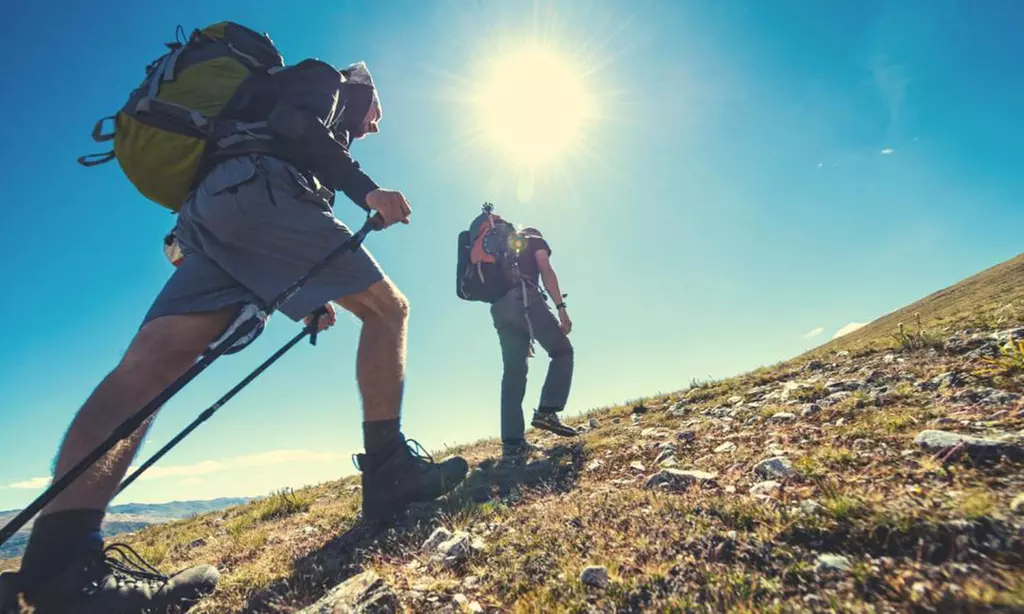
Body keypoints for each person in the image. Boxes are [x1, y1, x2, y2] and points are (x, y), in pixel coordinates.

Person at [0, 50, 468, 614]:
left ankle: (58, 568)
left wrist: (306, 301)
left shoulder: (254, 108)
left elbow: (261, 171)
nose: (373, 125)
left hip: (213, 210)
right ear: (362, 90)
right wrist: (365, 188)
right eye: (377, 114)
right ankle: (391, 472)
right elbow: (295, 129)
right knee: (388, 309)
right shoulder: (325, 81)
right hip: (262, 190)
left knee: (147, 368)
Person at [490, 223, 577, 462]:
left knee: (513, 372)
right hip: (525, 298)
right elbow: (545, 270)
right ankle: (548, 411)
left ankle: (512, 444)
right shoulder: (535, 240)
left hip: (499, 309)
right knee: (562, 350)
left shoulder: (503, 250)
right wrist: (561, 310)